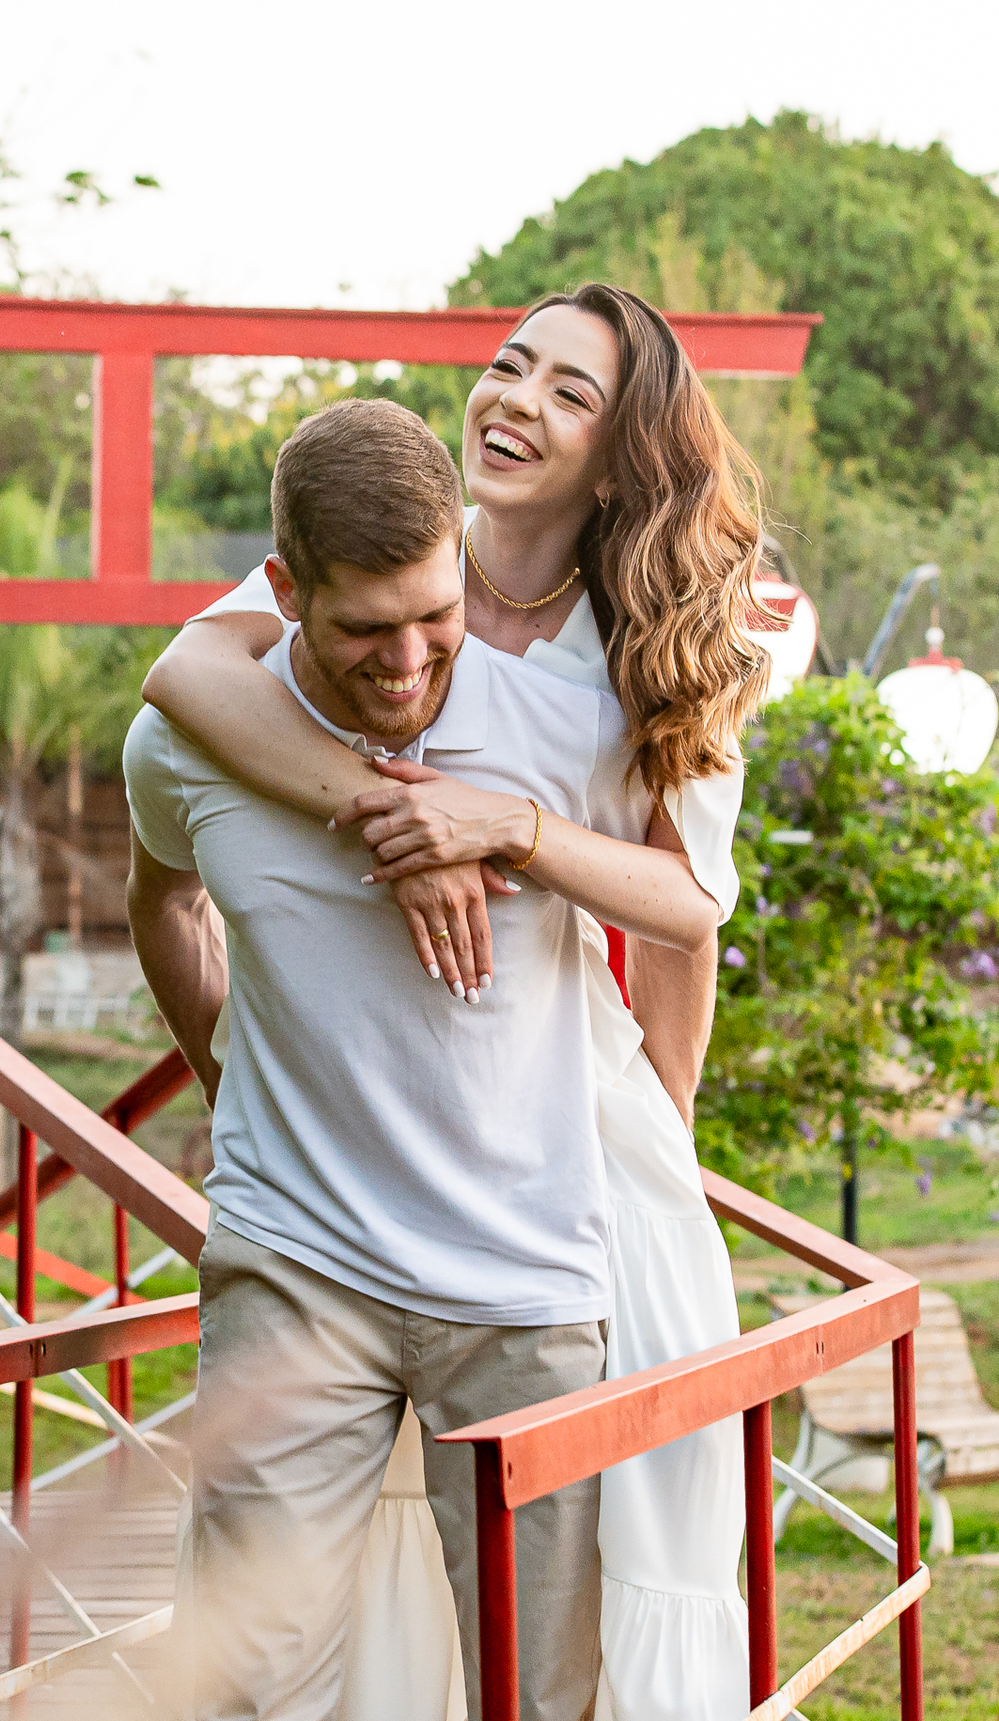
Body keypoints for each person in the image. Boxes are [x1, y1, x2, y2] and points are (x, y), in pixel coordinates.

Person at [141, 286, 766, 1721]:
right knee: (273, 1643)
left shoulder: (650, 649)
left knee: (577, 1628)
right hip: (320, 1230)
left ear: (622, 455)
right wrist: (394, 816)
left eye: (568, 393)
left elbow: (689, 910)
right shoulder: (388, 543)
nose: (515, 403)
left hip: (542, 1193)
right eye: (506, 366)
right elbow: (183, 679)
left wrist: (513, 835)